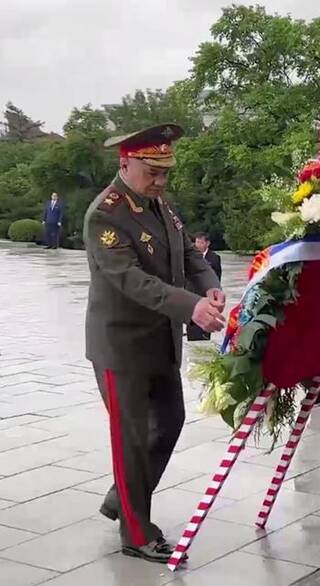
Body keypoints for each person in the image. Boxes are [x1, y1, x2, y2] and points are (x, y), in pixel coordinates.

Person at [83, 124, 226, 564]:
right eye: (152, 172)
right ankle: (136, 531)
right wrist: (191, 307)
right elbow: (133, 281)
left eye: (165, 173)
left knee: (170, 421)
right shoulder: (104, 215)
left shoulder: (159, 203)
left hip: (161, 339)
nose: (161, 182)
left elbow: (188, 254)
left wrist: (211, 286)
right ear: (124, 163)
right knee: (130, 439)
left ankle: (121, 498)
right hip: (121, 346)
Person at [186, 232, 223, 341]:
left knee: (205, 328)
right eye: (196, 242)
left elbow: (217, 278)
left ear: (207, 243)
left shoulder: (214, 258)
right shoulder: (189, 257)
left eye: (201, 242)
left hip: (206, 297)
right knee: (192, 327)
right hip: (191, 296)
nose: (198, 245)